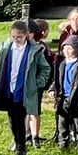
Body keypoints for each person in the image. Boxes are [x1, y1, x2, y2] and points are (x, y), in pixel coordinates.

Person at [0, 20, 50, 155]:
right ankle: (16, 142)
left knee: (21, 119)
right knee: (11, 118)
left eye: (19, 37)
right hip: (8, 89)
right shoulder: (5, 49)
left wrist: (37, 83)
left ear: (27, 36)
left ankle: (22, 149)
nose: (16, 40)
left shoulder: (34, 51)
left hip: (24, 91)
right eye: (13, 37)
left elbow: (45, 69)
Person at [51, 35, 78, 151]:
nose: (66, 51)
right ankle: (63, 142)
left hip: (77, 99)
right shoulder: (62, 64)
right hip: (63, 98)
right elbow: (57, 80)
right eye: (64, 48)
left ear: (77, 49)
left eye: (70, 48)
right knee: (62, 121)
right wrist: (52, 89)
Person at [25, 18, 54, 148]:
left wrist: (39, 82)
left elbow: (46, 65)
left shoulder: (39, 47)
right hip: (22, 84)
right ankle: (25, 134)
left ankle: (34, 136)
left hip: (35, 83)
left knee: (34, 110)